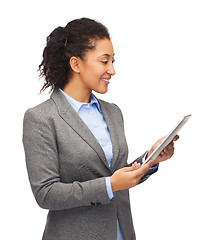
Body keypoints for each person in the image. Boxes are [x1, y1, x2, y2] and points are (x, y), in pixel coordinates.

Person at [23, 18, 178, 240]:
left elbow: (114, 173)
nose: (112, 70)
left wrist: (150, 159)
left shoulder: (113, 112)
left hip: (122, 233)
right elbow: (46, 194)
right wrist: (109, 185)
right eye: (104, 61)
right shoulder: (42, 118)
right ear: (76, 64)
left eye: (113, 61)